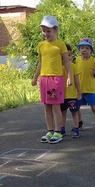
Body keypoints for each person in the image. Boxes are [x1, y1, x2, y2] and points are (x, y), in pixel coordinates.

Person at [32, 15, 72, 144]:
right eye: (43, 31)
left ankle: (58, 132)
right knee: (47, 106)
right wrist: (35, 77)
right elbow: (40, 63)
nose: (45, 33)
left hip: (56, 79)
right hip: (44, 79)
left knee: (56, 107)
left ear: (55, 30)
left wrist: (70, 77)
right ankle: (49, 131)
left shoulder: (60, 45)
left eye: (48, 31)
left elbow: (66, 63)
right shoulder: (41, 45)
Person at [76, 38, 95, 135]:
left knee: (94, 108)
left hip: (90, 89)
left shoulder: (93, 61)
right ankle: (79, 123)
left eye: (87, 48)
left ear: (91, 51)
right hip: (79, 89)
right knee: (76, 107)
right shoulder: (77, 59)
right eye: (82, 48)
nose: (84, 50)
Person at [60, 44, 82, 138]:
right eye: (66, 55)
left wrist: (79, 91)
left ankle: (76, 129)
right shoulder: (58, 67)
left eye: (70, 55)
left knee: (74, 112)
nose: (68, 57)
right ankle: (62, 129)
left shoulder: (73, 66)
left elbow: (77, 80)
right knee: (62, 113)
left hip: (72, 95)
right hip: (61, 95)